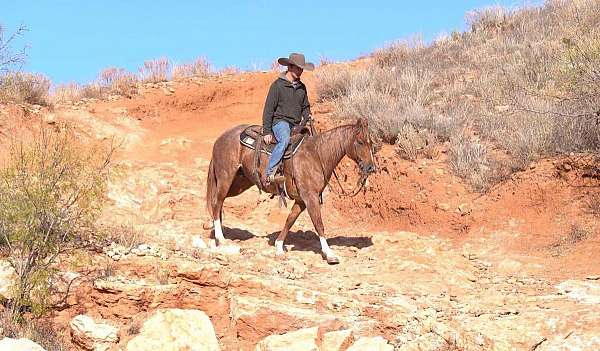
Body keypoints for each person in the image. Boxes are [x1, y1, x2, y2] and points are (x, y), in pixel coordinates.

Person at [261, 52, 314, 186]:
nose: (300, 71)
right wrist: (267, 131)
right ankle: (269, 173)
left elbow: (305, 106)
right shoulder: (277, 86)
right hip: (280, 122)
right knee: (284, 140)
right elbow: (268, 109)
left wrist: (308, 115)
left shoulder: (302, 88)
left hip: (296, 124)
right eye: (298, 68)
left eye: (302, 68)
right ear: (290, 67)